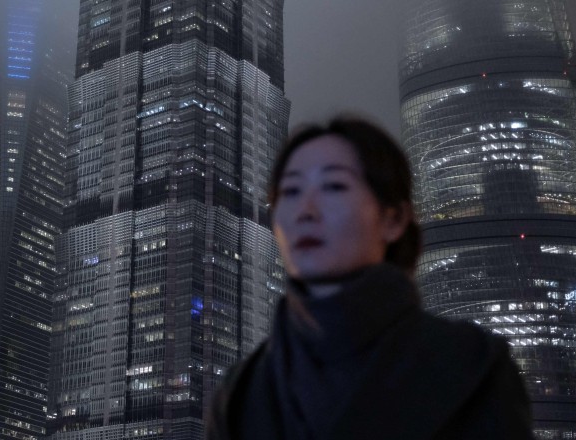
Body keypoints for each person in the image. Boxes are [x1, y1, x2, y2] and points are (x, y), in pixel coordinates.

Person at [206, 116, 533, 440]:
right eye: (290, 191)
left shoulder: (471, 365)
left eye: (333, 186)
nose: (305, 210)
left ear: (393, 219)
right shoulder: (241, 393)